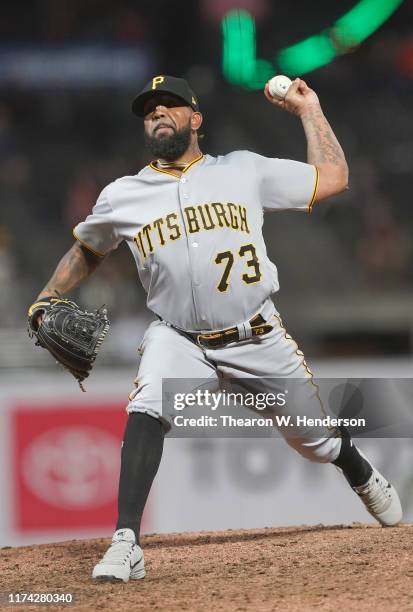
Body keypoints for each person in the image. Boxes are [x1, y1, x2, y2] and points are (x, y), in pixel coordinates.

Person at [30, 75, 402, 583]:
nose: (158, 113)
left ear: (196, 119)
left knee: (314, 442)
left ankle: (356, 467)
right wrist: (48, 295)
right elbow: (87, 249)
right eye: (149, 110)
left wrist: (309, 110)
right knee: (146, 405)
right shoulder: (123, 195)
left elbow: (333, 177)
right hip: (178, 337)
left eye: (170, 105)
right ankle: (126, 541)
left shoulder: (242, 170)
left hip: (257, 336)